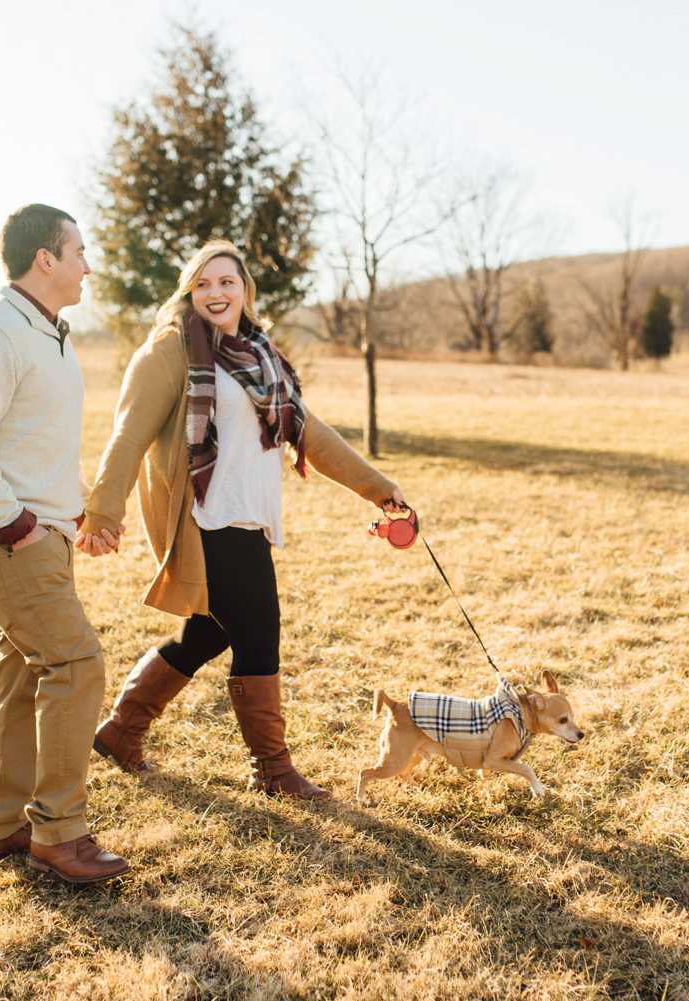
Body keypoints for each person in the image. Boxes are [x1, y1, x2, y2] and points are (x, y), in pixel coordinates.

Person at [77, 239, 406, 800]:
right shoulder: (169, 350)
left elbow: (309, 433)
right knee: (258, 631)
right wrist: (104, 510)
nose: (215, 293)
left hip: (248, 516)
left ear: (245, 291)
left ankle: (120, 731)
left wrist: (380, 490)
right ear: (188, 291)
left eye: (226, 282)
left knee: (206, 631)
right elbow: (128, 434)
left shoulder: (260, 355)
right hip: (207, 516)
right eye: (202, 284)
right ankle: (272, 769)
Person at [0, 203, 128, 883]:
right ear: (44, 259)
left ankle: (3, 819)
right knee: (76, 662)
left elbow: (36, 440)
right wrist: (15, 521)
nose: (88, 263)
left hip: (44, 533)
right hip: (9, 539)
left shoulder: (49, 331)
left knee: (26, 670)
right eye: (78, 250)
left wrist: (78, 511)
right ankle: (60, 830)